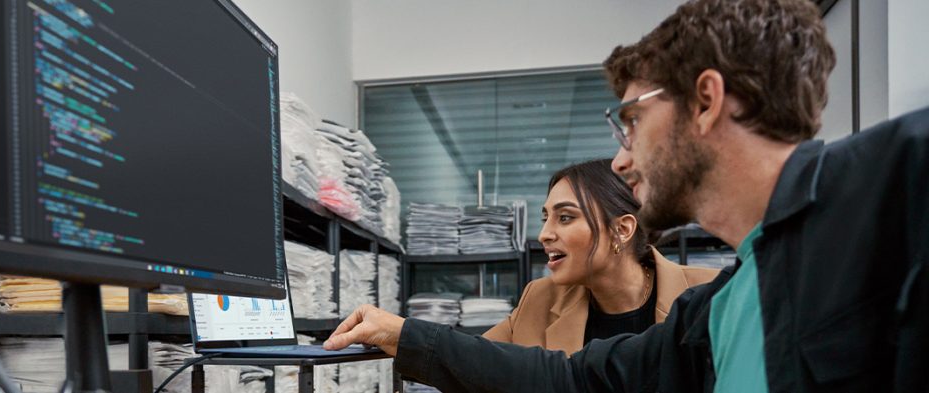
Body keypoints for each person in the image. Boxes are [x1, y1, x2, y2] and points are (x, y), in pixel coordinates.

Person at [323, 0, 929, 392]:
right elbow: (570, 382)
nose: (621, 156)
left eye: (632, 120)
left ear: (706, 100)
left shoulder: (896, 181)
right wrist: (406, 335)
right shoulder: (723, 305)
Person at [484, 159, 717, 355]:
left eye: (565, 217)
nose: (544, 235)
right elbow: (468, 362)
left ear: (622, 230)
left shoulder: (712, 293)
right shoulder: (539, 299)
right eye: (546, 219)